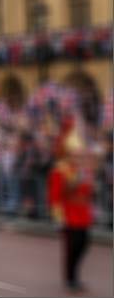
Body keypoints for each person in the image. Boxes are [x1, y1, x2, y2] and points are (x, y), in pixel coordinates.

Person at [48, 124, 94, 292]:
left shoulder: (83, 170)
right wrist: (58, 217)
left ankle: (74, 276)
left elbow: (88, 192)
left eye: (80, 154)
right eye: (75, 154)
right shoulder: (61, 171)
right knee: (72, 247)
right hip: (69, 214)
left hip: (82, 214)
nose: (78, 156)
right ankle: (71, 279)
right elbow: (55, 196)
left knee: (84, 244)